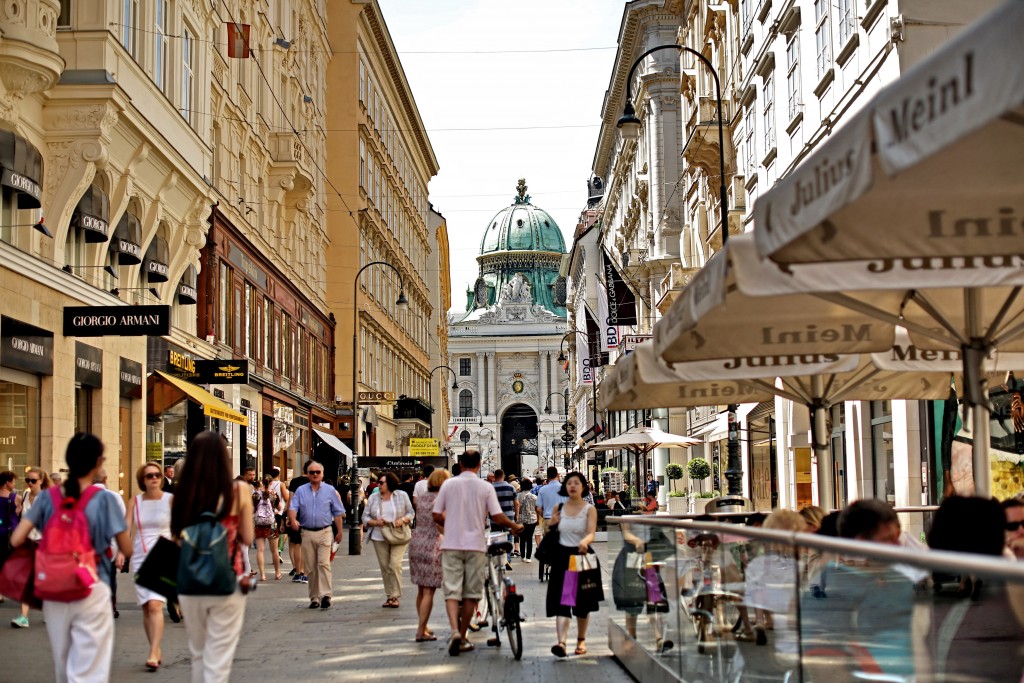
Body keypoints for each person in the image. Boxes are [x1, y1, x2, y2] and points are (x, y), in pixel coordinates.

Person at [11, 434, 131, 682]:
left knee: (63, 664)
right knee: (90, 666)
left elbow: (17, 539)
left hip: (54, 588)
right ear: (98, 462)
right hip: (92, 584)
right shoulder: (106, 499)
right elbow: (126, 547)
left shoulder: (47, 498)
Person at [171, 431, 253, 683]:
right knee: (219, 657)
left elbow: (176, 538)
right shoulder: (238, 491)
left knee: (198, 653)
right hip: (226, 577)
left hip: (191, 581)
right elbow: (248, 538)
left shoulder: (181, 497)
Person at [432, 449, 522, 656]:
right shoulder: (485, 487)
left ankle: (455, 631)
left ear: (461, 464)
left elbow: (436, 515)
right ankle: (462, 636)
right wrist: (513, 526)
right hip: (475, 545)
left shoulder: (448, 485)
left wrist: (453, 523)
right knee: (472, 592)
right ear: (479, 465)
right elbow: (498, 517)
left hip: (452, 545)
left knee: (452, 591)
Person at [546, 471, 600, 658]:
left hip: (581, 556)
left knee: (582, 602)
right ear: (565, 486)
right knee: (564, 600)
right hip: (563, 558)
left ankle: (581, 640)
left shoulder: (589, 509)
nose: (573, 486)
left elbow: (592, 531)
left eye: (576, 483)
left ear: (583, 486)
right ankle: (561, 642)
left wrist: (586, 541)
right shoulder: (558, 508)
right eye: (569, 483)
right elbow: (549, 533)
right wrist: (551, 523)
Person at [127, 461, 173, 670]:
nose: (154, 478)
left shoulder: (171, 500)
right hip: (140, 556)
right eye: (149, 476)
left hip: (163, 556)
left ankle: (153, 652)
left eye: (157, 474)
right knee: (146, 607)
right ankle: (154, 647)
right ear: (142, 480)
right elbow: (126, 529)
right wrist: (120, 551)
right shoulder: (134, 502)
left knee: (155, 605)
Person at [288, 461, 345, 609]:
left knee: (323, 563)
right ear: (307, 474)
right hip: (307, 532)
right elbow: (293, 507)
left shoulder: (330, 490)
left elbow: (338, 512)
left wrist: (339, 531)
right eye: (311, 472)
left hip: (325, 531)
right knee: (311, 567)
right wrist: (293, 520)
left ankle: (326, 595)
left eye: (317, 472)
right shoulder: (301, 490)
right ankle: (314, 597)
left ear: (322, 474)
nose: (314, 474)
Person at [409, 468, 450, 641]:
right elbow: (441, 524)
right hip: (432, 545)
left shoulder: (424, 497)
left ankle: (423, 625)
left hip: (416, 542)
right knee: (429, 591)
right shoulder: (441, 500)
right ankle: (420, 630)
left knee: (421, 589)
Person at [363, 471, 414, 608]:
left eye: (381, 482)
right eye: (378, 482)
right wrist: (375, 522)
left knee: (395, 564)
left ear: (390, 483)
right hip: (379, 536)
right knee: (385, 567)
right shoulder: (374, 498)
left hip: (399, 535)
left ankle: (395, 595)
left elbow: (411, 512)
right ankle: (389, 596)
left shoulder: (401, 496)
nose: (378, 485)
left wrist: (402, 520)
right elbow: (365, 517)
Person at [12, 466, 50, 628]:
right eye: (27, 480)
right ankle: (24, 617)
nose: (29, 483)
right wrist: (18, 512)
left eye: (33, 480)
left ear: (41, 481)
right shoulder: (25, 495)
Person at [287, 460, 313, 583]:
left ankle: (298, 572)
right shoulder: (313, 481)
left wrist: (289, 516)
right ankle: (306, 574)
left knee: (297, 544)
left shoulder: (294, 482)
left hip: (296, 515)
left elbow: (291, 500)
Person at [253, 475, 282, 581]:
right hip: (271, 524)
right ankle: (277, 573)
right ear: (270, 484)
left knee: (260, 550)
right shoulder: (274, 495)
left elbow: (252, 508)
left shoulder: (256, 495)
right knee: (274, 550)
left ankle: (262, 575)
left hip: (259, 524)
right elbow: (279, 507)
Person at [492, 469, 518, 569]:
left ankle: (499, 561)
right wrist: (516, 515)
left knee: (496, 539)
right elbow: (516, 503)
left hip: (495, 518)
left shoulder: (491, 488)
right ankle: (507, 559)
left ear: (495, 476)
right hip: (509, 516)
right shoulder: (511, 487)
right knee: (509, 539)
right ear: (504, 476)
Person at [0, 471, 19, 600]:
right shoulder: (15, 497)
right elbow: (18, 516)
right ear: (7, 483)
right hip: (10, 534)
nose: (14, 484)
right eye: (13, 481)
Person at [516, 477, 538, 563]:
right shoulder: (534, 497)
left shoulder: (518, 496)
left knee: (522, 538)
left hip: (521, 519)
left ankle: (522, 556)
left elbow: (515, 506)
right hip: (532, 519)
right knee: (529, 538)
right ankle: (528, 557)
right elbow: (537, 508)